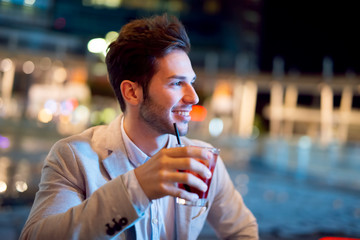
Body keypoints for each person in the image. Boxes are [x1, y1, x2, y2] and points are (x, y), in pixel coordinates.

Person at [20, 14, 258, 239]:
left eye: (191, 82)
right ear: (132, 92)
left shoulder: (203, 161)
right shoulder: (73, 158)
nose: (194, 97)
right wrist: (137, 188)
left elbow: (242, 230)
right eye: (177, 83)